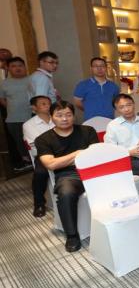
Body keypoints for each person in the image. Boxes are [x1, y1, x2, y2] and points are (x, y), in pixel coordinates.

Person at [36, 101, 99, 252]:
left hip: (92, 169)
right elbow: (51, 164)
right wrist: (78, 153)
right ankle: (72, 235)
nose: (64, 118)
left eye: (68, 115)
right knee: (66, 193)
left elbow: (96, 154)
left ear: (74, 116)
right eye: (59, 115)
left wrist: (62, 160)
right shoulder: (43, 139)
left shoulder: (87, 131)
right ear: (51, 117)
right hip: (69, 174)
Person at [104, 93, 139, 182]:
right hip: (128, 160)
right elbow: (110, 150)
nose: (126, 109)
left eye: (129, 105)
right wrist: (129, 153)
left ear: (134, 104)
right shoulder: (112, 125)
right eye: (121, 107)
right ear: (117, 110)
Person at [23, 95, 54, 217]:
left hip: (63, 151)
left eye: (49, 103)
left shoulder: (57, 118)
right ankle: (39, 204)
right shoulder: (28, 125)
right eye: (43, 104)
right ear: (34, 107)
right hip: (43, 154)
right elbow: (37, 143)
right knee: (40, 173)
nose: (48, 106)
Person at [0, 56, 32, 169]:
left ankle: (39, 160)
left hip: (32, 117)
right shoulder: (4, 83)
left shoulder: (33, 79)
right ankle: (27, 161)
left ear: (25, 67)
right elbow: (2, 99)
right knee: (20, 142)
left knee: (35, 140)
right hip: (13, 119)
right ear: (8, 68)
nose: (17, 68)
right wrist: (13, 108)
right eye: (13, 66)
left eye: (20, 65)